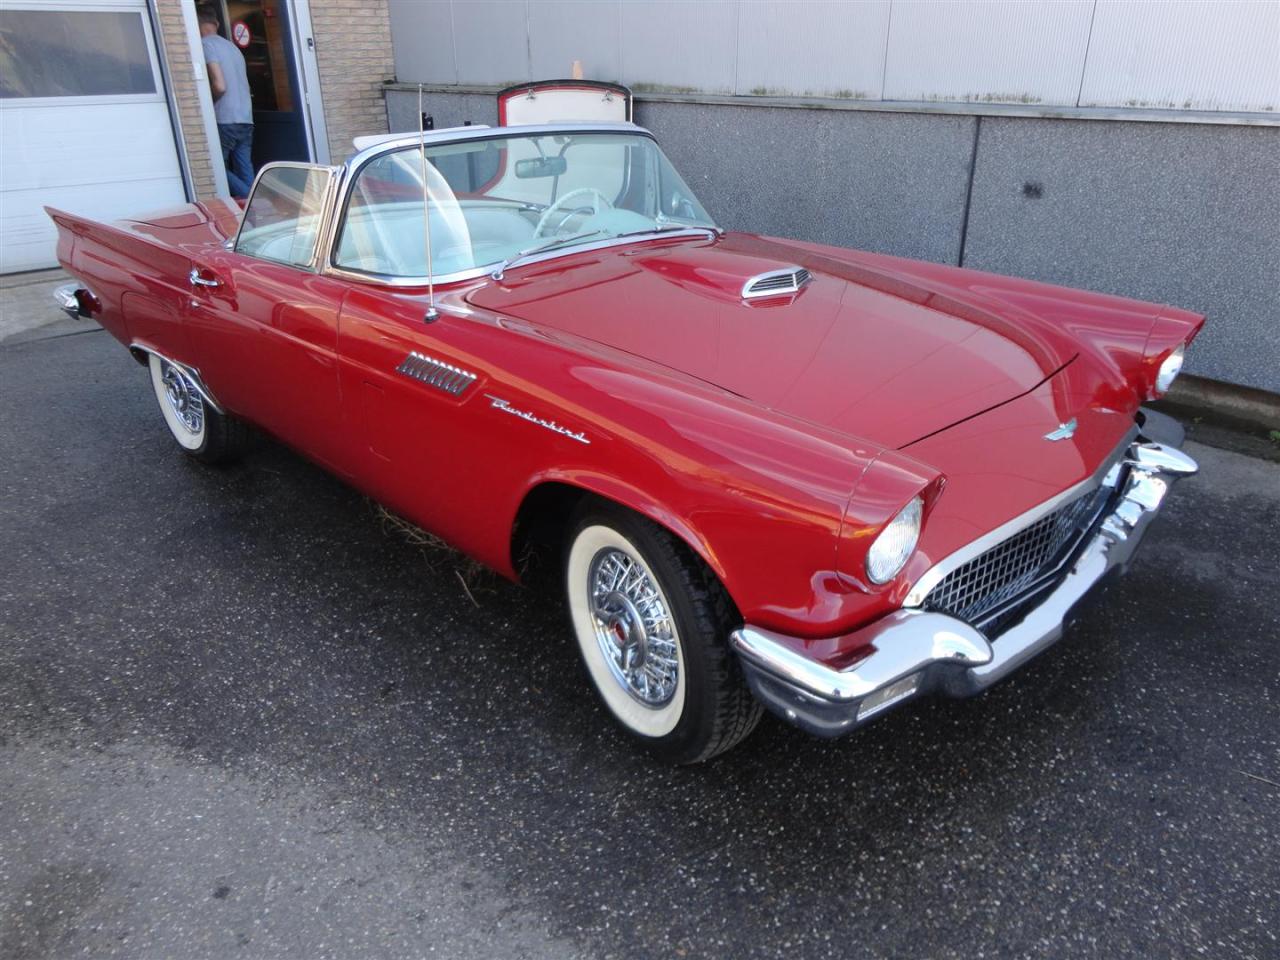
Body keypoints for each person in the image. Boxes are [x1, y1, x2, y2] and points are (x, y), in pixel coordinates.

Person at [198, 8, 254, 198]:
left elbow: (220, 85)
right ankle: (256, 204)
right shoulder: (233, 47)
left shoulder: (205, 46)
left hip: (225, 118)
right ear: (217, 24)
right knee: (245, 167)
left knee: (217, 168)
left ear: (197, 25)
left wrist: (207, 102)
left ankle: (252, 201)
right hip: (246, 117)